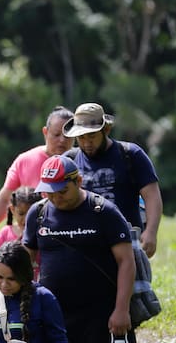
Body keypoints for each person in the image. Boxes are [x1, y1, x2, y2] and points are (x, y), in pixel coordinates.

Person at [23, 154, 135, 343]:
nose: (56, 199)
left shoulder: (103, 212)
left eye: (62, 191)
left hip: (98, 315)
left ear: (79, 181)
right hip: (52, 317)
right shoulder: (37, 214)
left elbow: (126, 262)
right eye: (50, 193)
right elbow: (24, 264)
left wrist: (121, 310)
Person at [62, 102, 163, 258]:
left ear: (106, 130)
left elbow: (152, 196)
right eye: (81, 138)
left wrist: (151, 231)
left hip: (127, 242)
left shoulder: (131, 155)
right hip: (84, 245)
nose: (87, 143)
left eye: (92, 136)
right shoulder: (69, 161)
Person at [0, 106, 74, 249]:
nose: (62, 140)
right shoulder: (25, 160)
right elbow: (5, 198)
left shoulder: (80, 162)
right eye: (56, 135)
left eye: (68, 135)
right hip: (30, 239)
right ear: (45, 132)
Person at [0, 187, 38, 254]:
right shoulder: (5, 233)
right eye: (21, 214)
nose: (26, 219)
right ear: (12, 210)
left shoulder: (43, 232)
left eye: (31, 214)